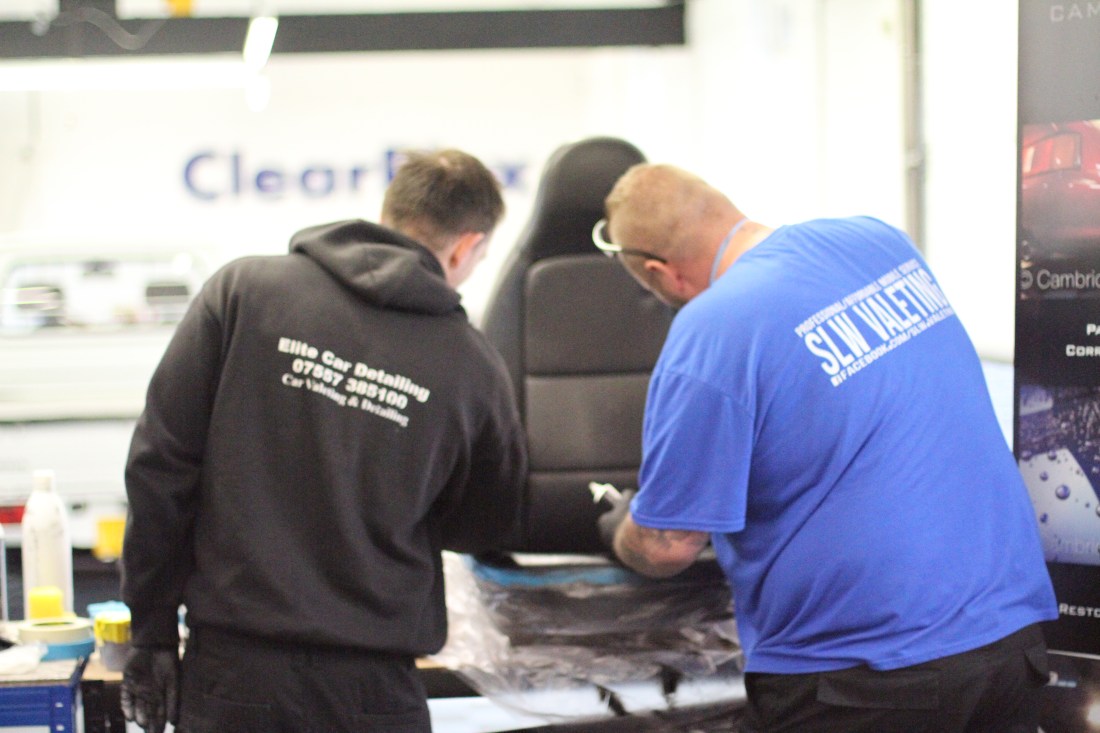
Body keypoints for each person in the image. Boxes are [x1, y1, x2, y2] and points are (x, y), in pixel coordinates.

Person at [593, 163, 1058, 733]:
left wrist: (620, 526)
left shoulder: (710, 330)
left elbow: (667, 545)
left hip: (864, 680)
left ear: (661, 273)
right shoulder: (878, 240)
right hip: (1008, 644)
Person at [120, 148, 527, 733]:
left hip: (234, 678)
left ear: (389, 213)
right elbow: (484, 525)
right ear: (466, 247)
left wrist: (151, 631)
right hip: (374, 692)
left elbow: (159, 467)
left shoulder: (243, 292)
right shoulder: (473, 365)